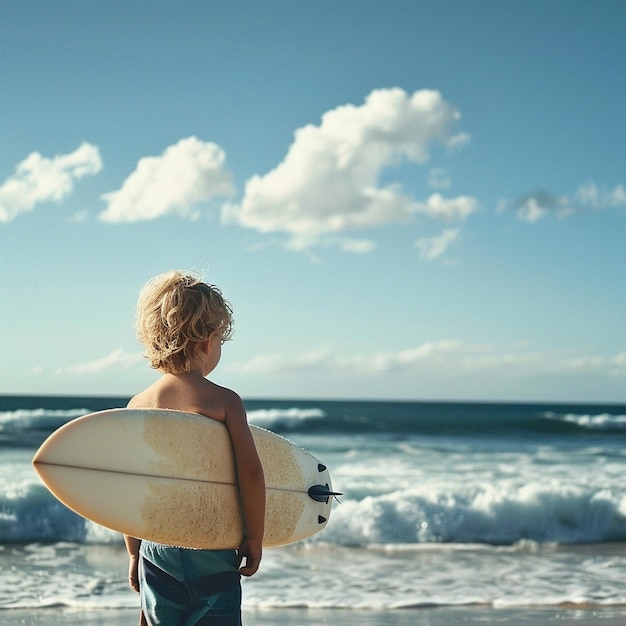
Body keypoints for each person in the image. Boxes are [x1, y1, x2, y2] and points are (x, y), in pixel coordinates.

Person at [124, 270, 265, 626]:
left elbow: (127, 483)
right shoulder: (224, 402)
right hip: (213, 546)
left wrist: (133, 552)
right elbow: (250, 472)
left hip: (157, 548)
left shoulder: (137, 405)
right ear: (207, 342)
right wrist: (255, 536)